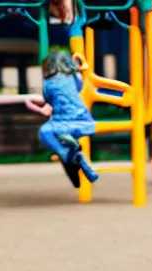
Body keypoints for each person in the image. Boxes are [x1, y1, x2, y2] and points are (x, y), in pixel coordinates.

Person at [26, 50, 98, 188]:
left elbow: (48, 99)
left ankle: (66, 153)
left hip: (62, 123)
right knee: (68, 142)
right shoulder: (76, 77)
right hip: (85, 122)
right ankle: (77, 160)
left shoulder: (48, 82)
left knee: (45, 132)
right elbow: (80, 89)